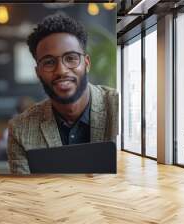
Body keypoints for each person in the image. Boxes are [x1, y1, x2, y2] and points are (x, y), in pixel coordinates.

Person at [7, 14, 119, 174]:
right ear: (38, 72)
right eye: (49, 62)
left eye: (71, 58)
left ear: (86, 63)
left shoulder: (117, 108)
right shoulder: (21, 129)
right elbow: (26, 193)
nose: (61, 70)